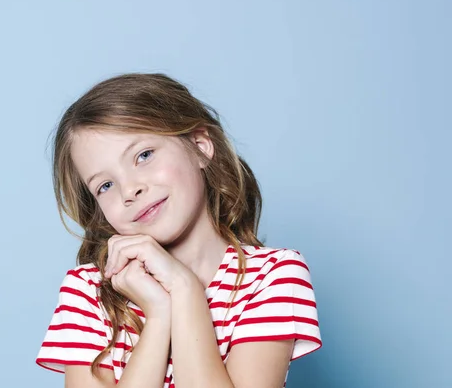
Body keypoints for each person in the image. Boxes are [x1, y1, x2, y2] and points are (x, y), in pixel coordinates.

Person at [35, 73, 322, 387]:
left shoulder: (272, 276)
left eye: (143, 156)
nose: (129, 190)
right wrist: (158, 314)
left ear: (199, 146)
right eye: (105, 185)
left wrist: (186, 290)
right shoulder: (89, 291)